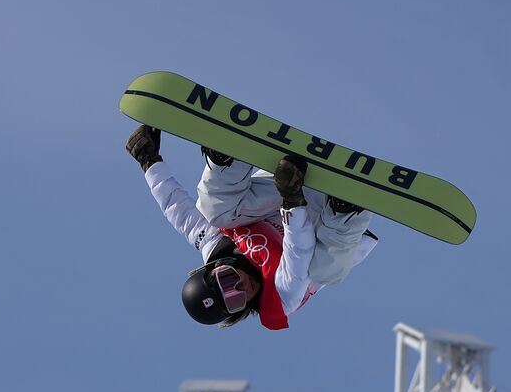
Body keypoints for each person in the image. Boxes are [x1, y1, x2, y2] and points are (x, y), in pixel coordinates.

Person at [125, 126, 378, 330]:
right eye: (235, 301)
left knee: (214, 213)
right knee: (323, 269)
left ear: (214, 267)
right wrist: (292, 202)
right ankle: (345, 211)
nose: (242, 288)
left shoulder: (216, 246)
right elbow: (298, 252)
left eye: (228, 280)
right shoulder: (279, 298)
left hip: (285, 182)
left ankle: (226, 161)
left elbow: (178, 211)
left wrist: (150, 162)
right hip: (325, 221)